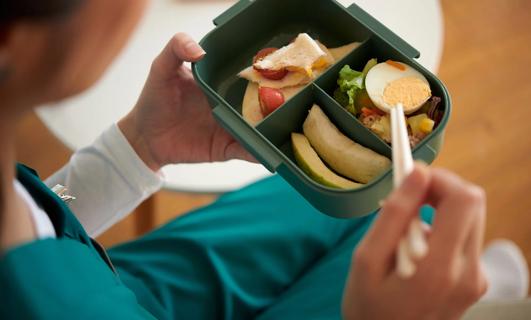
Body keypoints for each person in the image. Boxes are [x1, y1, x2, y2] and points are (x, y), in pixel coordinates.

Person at [0, 1, 517, 319]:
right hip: (100, 295)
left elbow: (40, 210)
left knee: (374, 205)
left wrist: (136, 147)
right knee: (416, 223)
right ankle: (472, 304)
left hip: (108, 276)